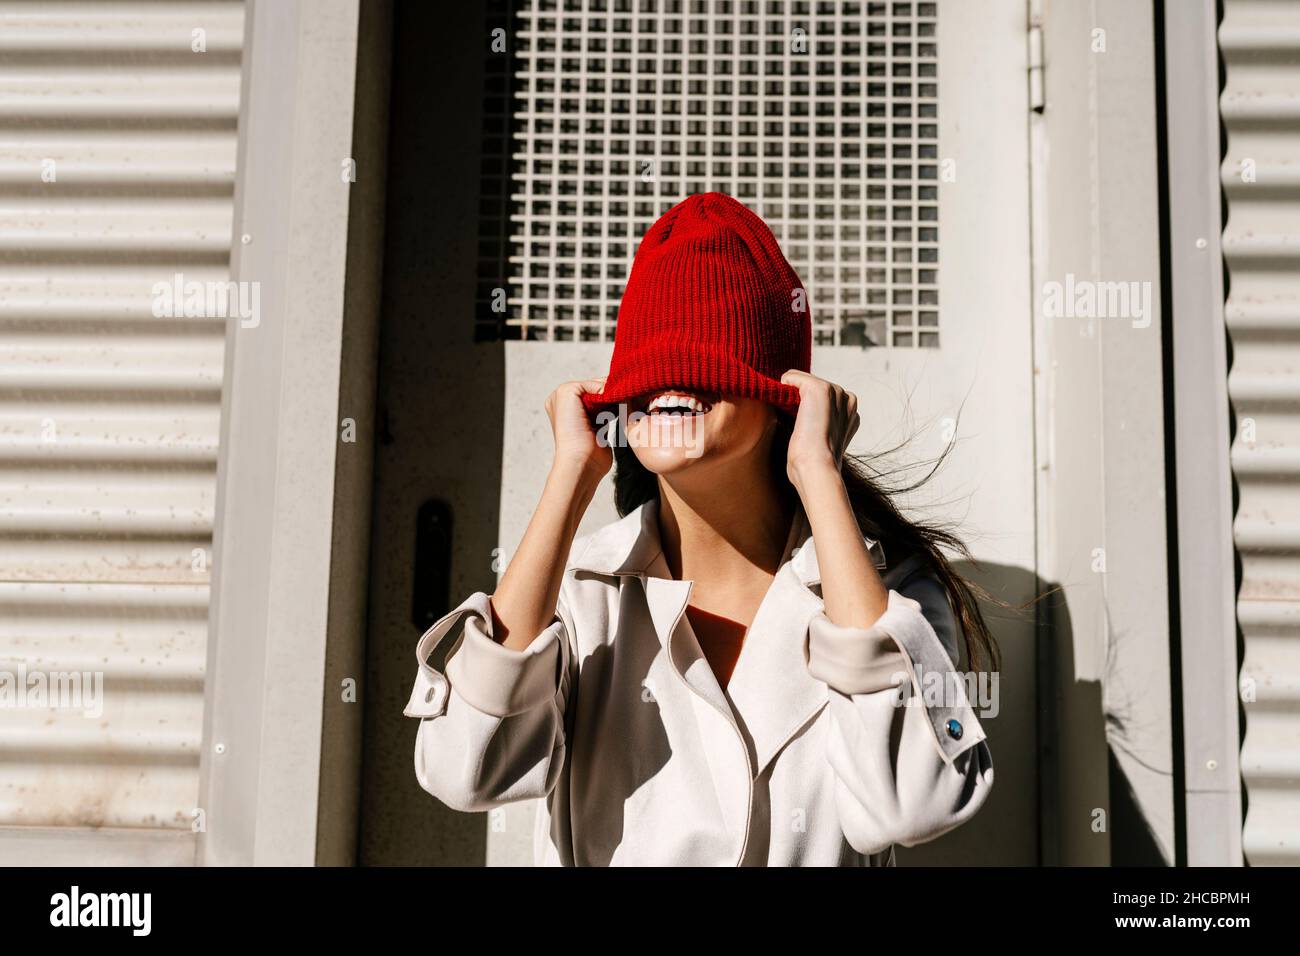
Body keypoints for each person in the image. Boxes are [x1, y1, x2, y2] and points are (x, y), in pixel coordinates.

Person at [404, 192, 996, 866]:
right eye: (649, 371)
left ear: (786, 401)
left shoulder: (884, 591)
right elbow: (463, 769)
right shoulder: (581, 595)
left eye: (705, 363)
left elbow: (915, 802)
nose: (671, 384)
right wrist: (571, 473)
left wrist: (819, 474)